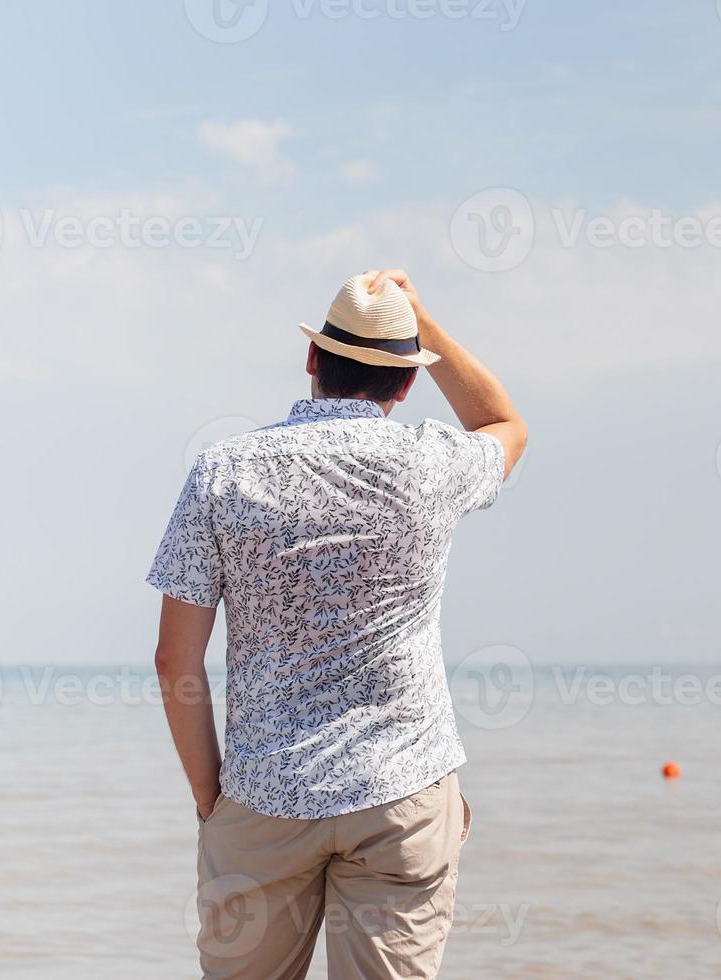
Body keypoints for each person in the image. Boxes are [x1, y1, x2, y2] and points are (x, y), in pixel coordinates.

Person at [148, 269, 527, 979]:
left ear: (313, 358)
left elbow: (176, 663)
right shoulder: (431, 462)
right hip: (401, 794)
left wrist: (212, 800)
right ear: (409, 383)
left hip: (263, 794)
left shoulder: (224, 472)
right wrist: (424, 325)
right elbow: (504, 426)